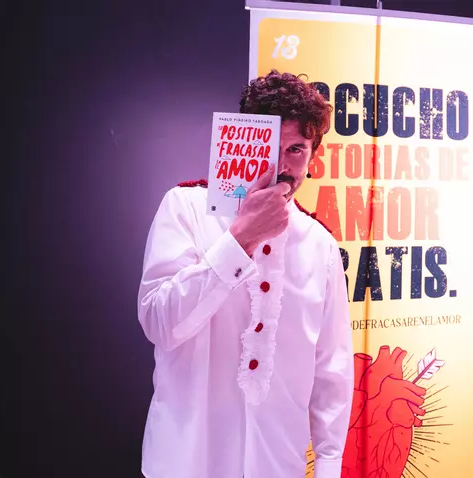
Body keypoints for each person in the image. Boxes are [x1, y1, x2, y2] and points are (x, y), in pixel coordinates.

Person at [137, 70, 354, 478]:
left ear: (313, 156)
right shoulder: (185, 208)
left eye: (296, 149)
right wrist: (241, 239)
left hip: (278, 464)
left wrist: (328, 466)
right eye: (270, 146)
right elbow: (159, 322)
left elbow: (332, 370)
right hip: (186, 463)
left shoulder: (321, 245)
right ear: (242, 138)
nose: (280, 165)